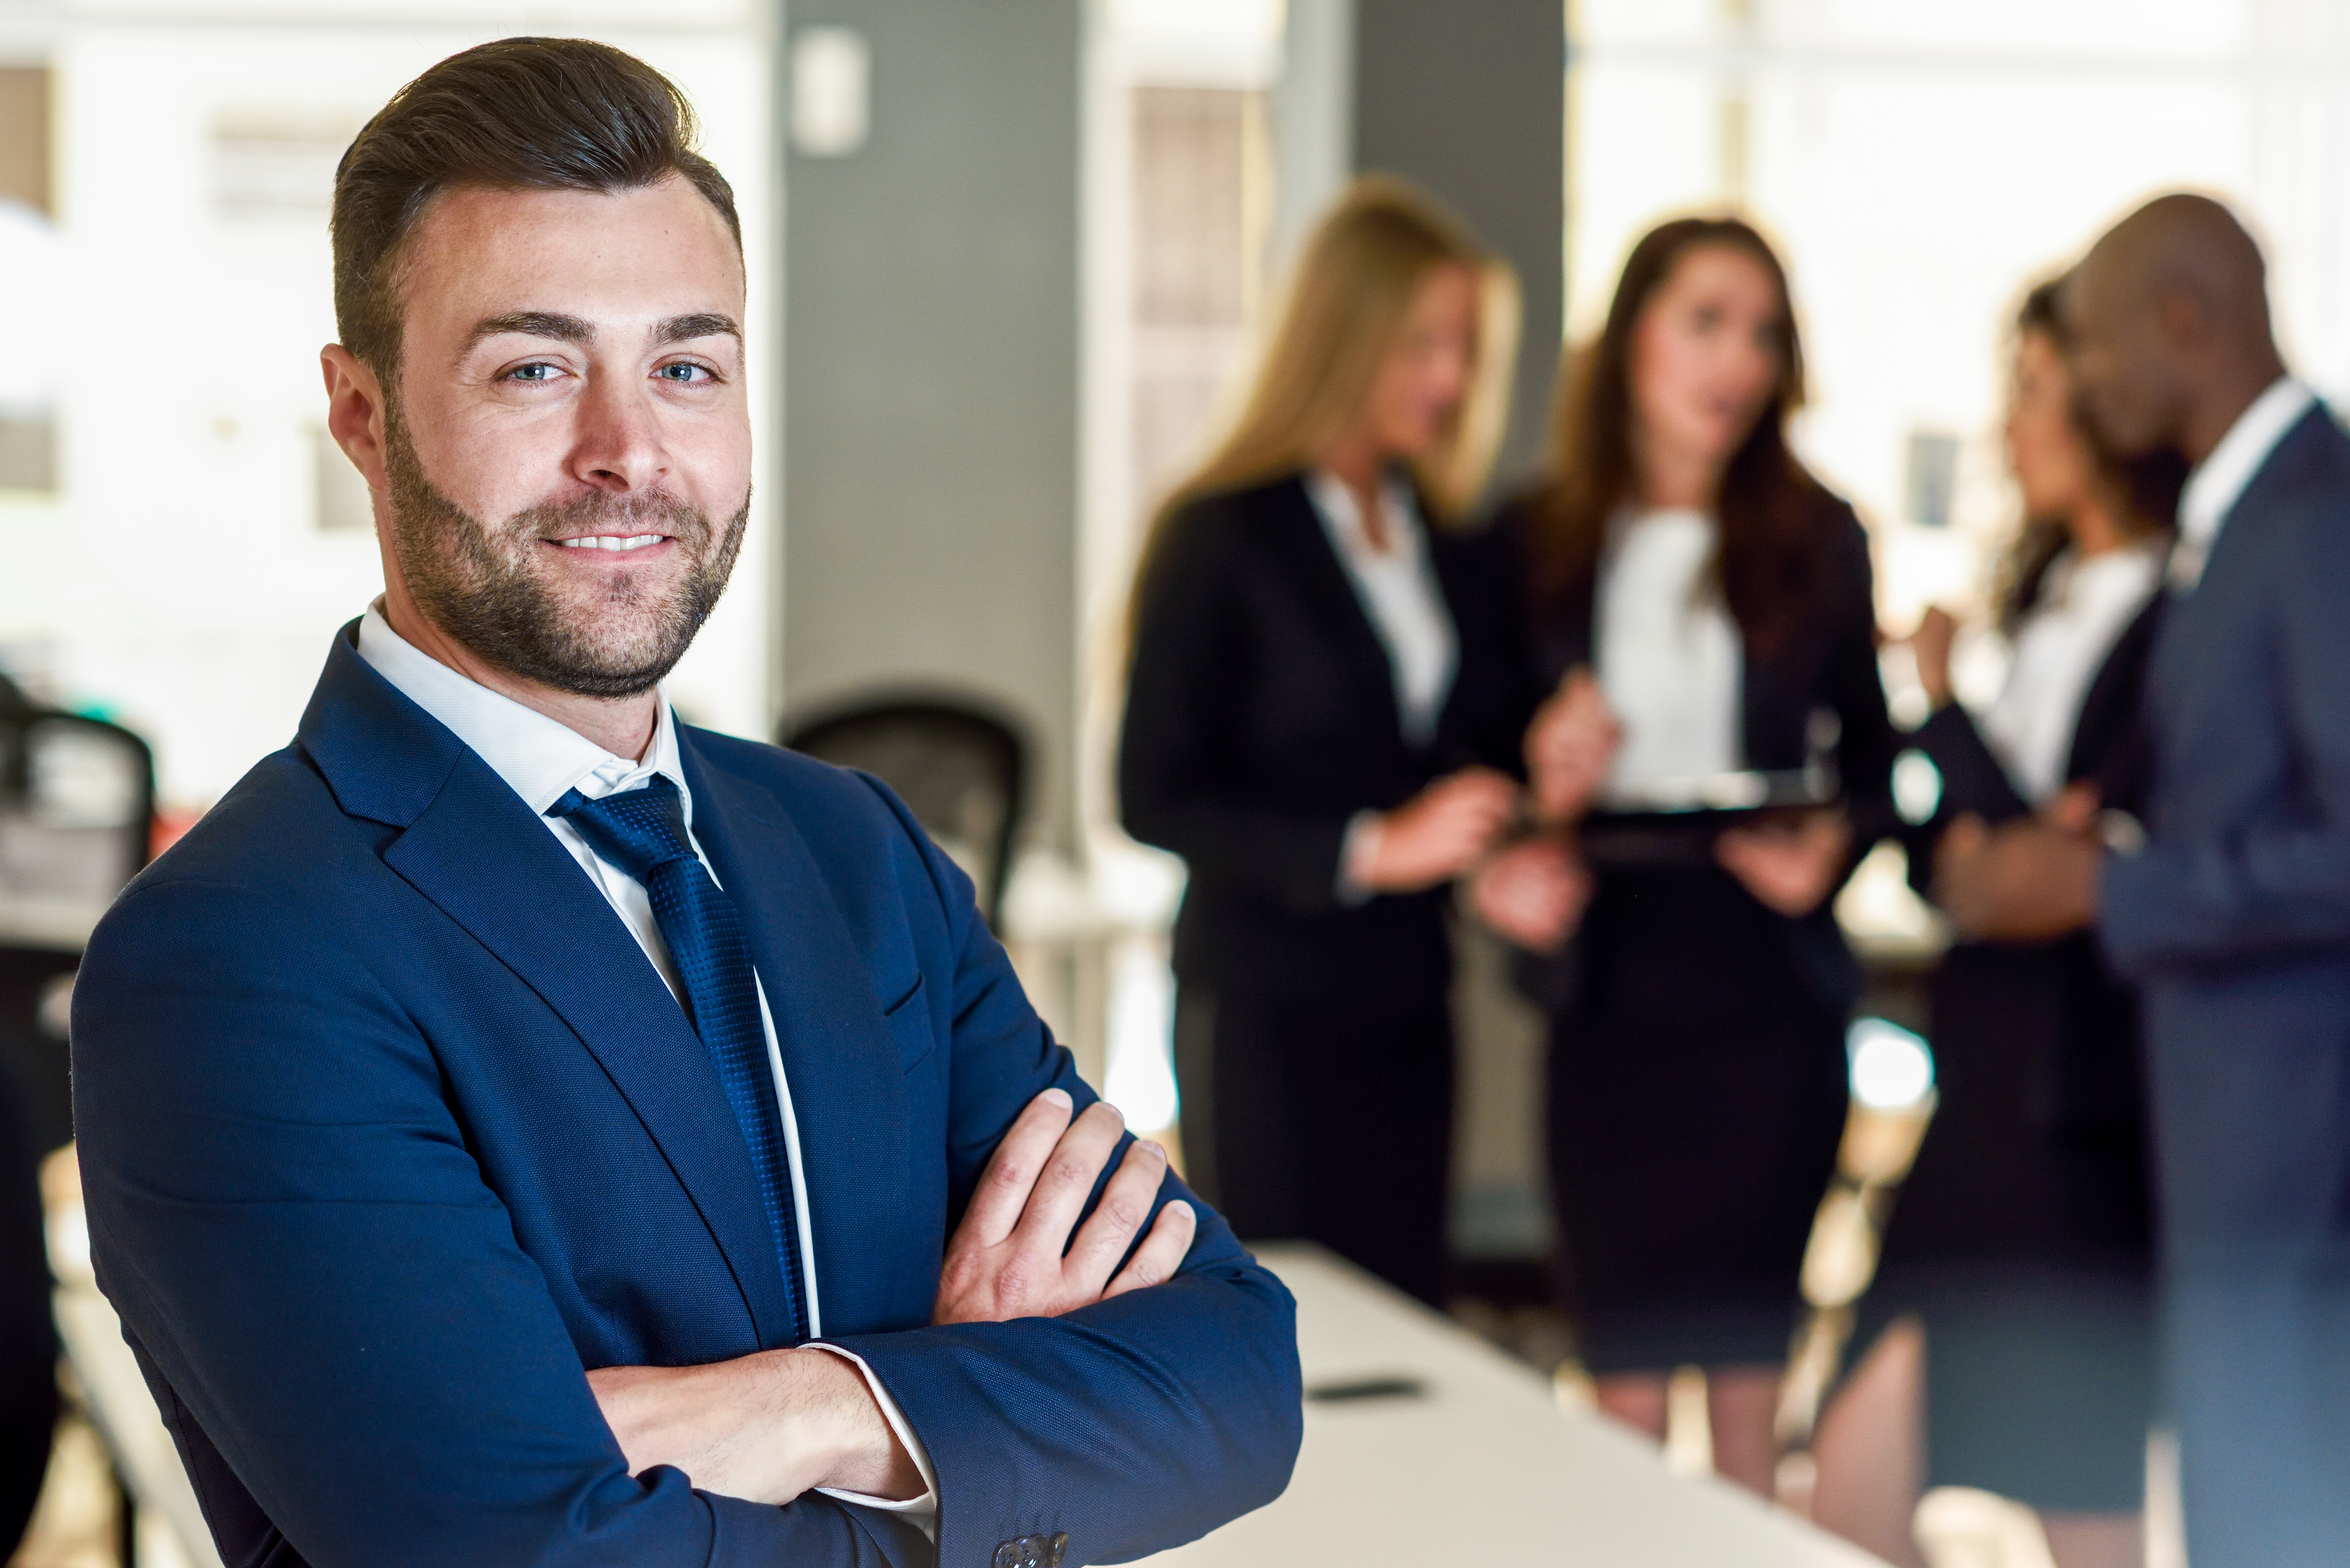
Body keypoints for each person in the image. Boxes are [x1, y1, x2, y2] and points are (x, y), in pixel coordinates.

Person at [68, 40, 1300, 1568]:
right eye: (533, 366)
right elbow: (526, 1555)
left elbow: (1238, 1370)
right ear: (363, 413)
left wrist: (805, 1405)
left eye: (686, 364)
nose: (629, 450)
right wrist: (964, 1417)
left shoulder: (857, 853)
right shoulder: (234, 960)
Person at [1473, 215, 1897, 1494]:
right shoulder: (1533, 542)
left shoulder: (1819, 535)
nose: (1738, 360)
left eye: (1763, 332)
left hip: (1766, 991)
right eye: (1706, 321)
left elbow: (1879, 767)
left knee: (1753, 1395)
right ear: (1633, 335)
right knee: (1624, 1394)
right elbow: (1474, 771)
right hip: (1611, 998)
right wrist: (1534, 800)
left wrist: (1834, 843)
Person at [1118, 178, 1529, 1305]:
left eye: (1465, 349)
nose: (1450, 380)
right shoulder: (1223, 537)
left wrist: (1530, 789)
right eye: (1423, 345)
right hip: (1266, 1000)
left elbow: (1461, 747)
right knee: (1289, 1316)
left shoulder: (1439, 539)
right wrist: (1366, 848)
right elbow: (1151, 794)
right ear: (1344, 339)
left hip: (1410, 992)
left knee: (1409, 1310)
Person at [2051, 192, 2350, 1567]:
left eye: (2097, 343)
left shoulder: (2313, 516)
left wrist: (2102, 894)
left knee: (2272, 1515)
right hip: (2235, 1134)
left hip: (2289, 1139)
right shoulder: (2236, 517)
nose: (2083, 377)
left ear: (2185, 321)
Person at [1867, 277, 2180, 1566]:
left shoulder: (2181, 613)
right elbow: (1985, 850)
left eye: (2036, 397)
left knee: (2074, 1487)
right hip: (1982, 1074)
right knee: (1865, 1434)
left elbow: (2059, 868)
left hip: (2073, 1106)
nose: (2011, 432)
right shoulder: (2049, 600)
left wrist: (1945, 710)